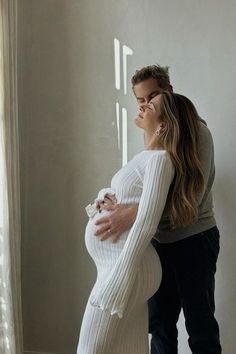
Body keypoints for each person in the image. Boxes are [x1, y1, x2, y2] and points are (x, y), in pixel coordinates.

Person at [94, 65, 222, 354]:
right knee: (161, 327)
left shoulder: (198, 134)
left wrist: (131, 214)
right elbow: (144, 188)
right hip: (157, 245)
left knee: (200, 327)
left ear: (169, 91)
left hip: (194, 241)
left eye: (152, 97)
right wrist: (112, 201)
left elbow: (189, 200)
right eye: (140, 101)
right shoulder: (152, 133)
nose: (145, 106)